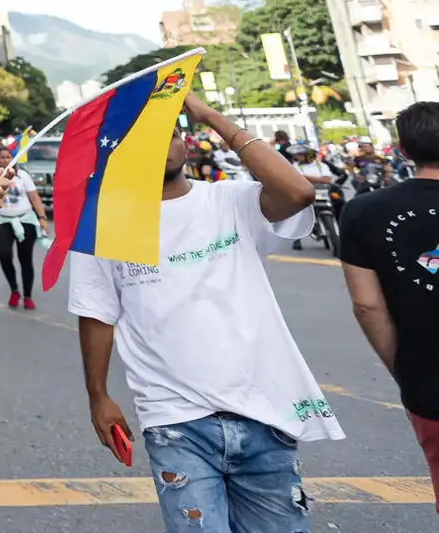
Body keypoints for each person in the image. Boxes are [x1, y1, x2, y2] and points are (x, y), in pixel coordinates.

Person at [72, 94, 339, 533]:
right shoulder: (104, 223)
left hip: (263, 414)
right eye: (146, 138)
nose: (161, 144)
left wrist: (213, 117)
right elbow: (95, 314)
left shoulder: (232, 201)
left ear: (188, 143)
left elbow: (298, 192)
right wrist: (98, 396)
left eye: (171, 133)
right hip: (175, 422)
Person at [339, 100, 439, 510]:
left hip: (430, 380)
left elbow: (367, 306)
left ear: (401, 150)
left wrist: (403, 366)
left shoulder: (364, 211)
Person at [0, 143, 50, 311]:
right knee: (4, 255)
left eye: (8, 157)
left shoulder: (23, 176)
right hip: (2, 220)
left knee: (25, 259)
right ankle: (14, 290)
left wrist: (42, 218)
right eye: (2, 157)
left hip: (25, 219)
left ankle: (27, 296)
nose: (6, 160)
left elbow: (34, 197)